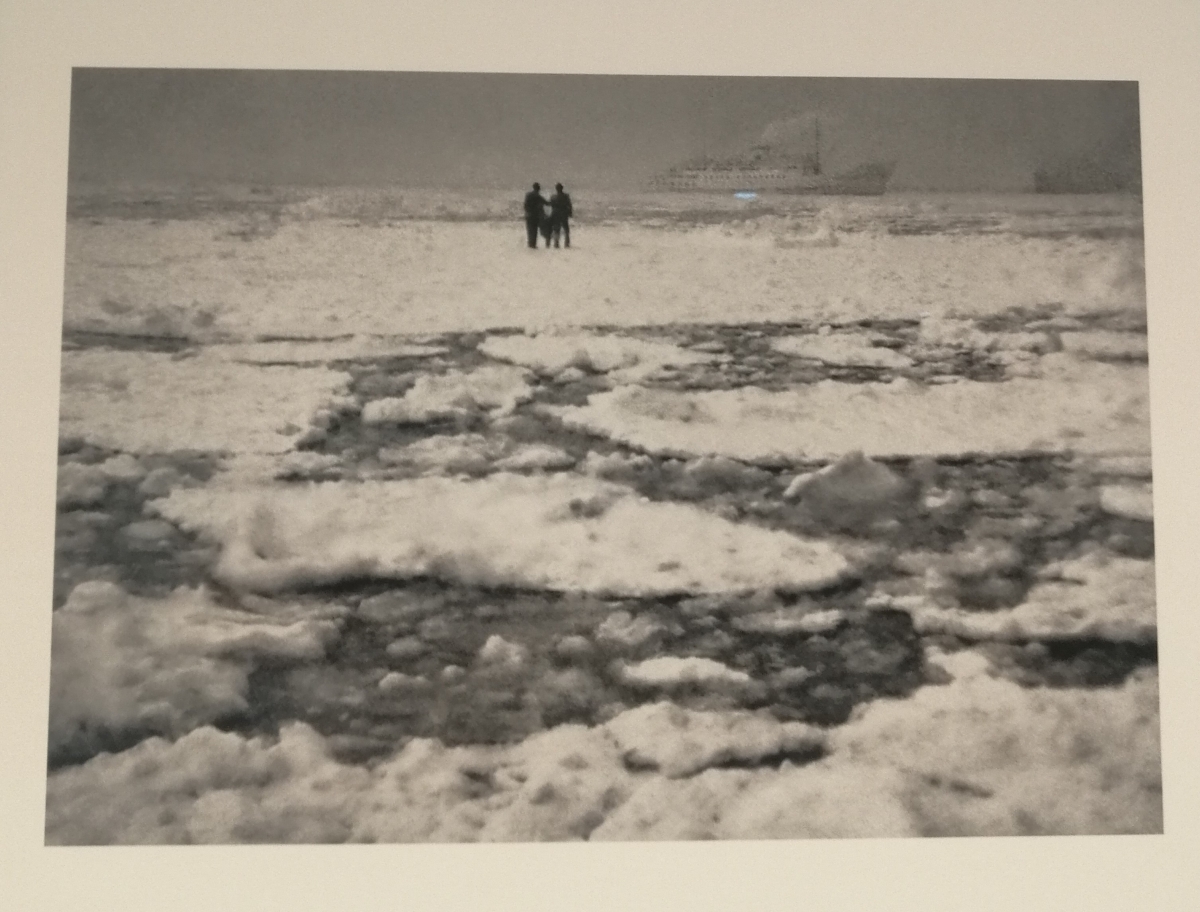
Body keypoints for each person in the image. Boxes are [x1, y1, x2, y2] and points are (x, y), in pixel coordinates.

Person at [523, 182, 549, 249]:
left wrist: (527, 212)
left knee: (529, 230)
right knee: (534, 231)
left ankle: (530, 244)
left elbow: (525, 205)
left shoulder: (528, 195)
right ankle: (533, 245)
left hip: (528, 215)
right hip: (535, 216)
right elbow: (546, 203)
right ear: (539, 189)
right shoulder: (538, 196)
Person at [549, 183, 573, 248]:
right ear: (562, 188)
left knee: (557, 229)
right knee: (566, 229)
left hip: (556, 214)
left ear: (556, 189)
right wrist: (570, 213)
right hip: (564, 214)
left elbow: (551, 206)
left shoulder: (553, 197)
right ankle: (566, 244)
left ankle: (556, 243)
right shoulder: (566, 196)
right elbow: (569, 205)